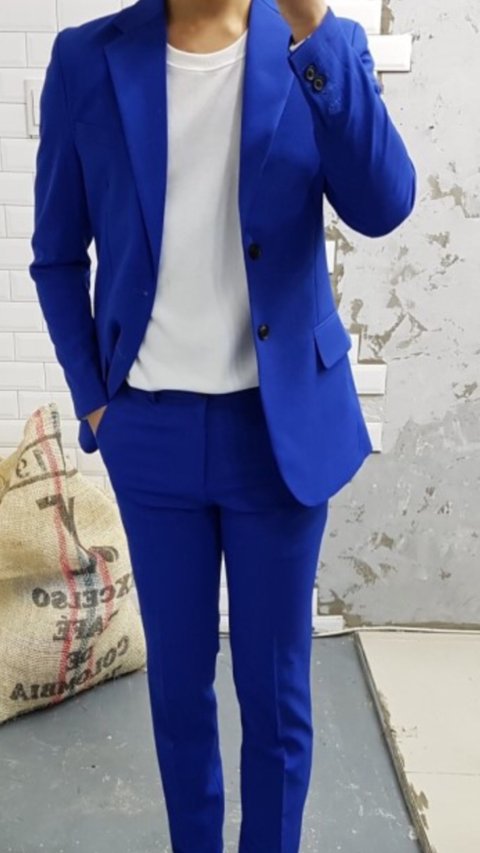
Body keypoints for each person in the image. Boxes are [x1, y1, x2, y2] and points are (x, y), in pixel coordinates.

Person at [29, 0, 416, 850]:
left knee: (275, 696)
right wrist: (96, 401)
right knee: (177, 691)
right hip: (149, 433)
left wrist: (314, 27)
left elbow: (384, 203)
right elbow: (55, 255)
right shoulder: (88, 59)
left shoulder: (321, 45)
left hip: (277, 436)